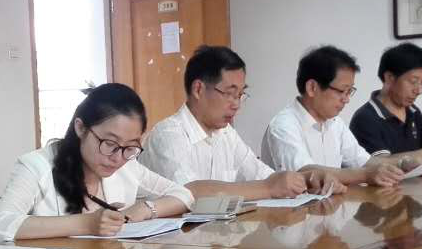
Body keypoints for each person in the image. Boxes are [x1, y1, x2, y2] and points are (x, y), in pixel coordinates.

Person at [0, 83, 193, 242]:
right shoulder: (36, 166)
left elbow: (184, 195)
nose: (117, 158)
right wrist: (87, 224)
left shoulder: (127, 167)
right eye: (110, 143)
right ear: (81, 128)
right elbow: (2, 226)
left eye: (130, 146)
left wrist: (143, 209)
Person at [140, 45, 344, 200]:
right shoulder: (168, 135)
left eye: (240, 95)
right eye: (230, 93)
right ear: (198, 89)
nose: (237, 104)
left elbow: (263, 175)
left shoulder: (225, 133)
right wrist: (269, 187)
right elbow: (188, 194)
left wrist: (308, 180)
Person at [260, 45, 422, 187]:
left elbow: (366, 162)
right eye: (342, 91)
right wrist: (366, 175)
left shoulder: (335, 123)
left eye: (350, 91)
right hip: (292, 211)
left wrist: (404, 164)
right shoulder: (284, 125)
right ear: (312, 88)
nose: (347, 99)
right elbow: (305, 173)